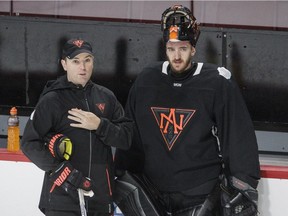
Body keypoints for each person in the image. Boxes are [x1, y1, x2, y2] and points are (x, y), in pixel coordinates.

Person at [114, 5, 260, 216]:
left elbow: (237, 136)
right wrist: (120, 172)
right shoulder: (147, 80)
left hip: (199, 192)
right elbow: (130, 134)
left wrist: (243, 184)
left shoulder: (217, 82)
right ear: (165, 49)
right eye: (171, 49)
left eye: (183, 48)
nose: (177, 56)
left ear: (193, 49)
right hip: (153, 192)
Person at [21, 38, 133, 216]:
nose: (83, 67)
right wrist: (61, 171)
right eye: (76, 61)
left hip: (100, 199)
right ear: (64, 64)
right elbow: (29, 143)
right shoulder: (52, 99)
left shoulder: (107, 97)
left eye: (87, 60)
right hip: (62, 200)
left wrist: (99, 125)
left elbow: (127, 138)